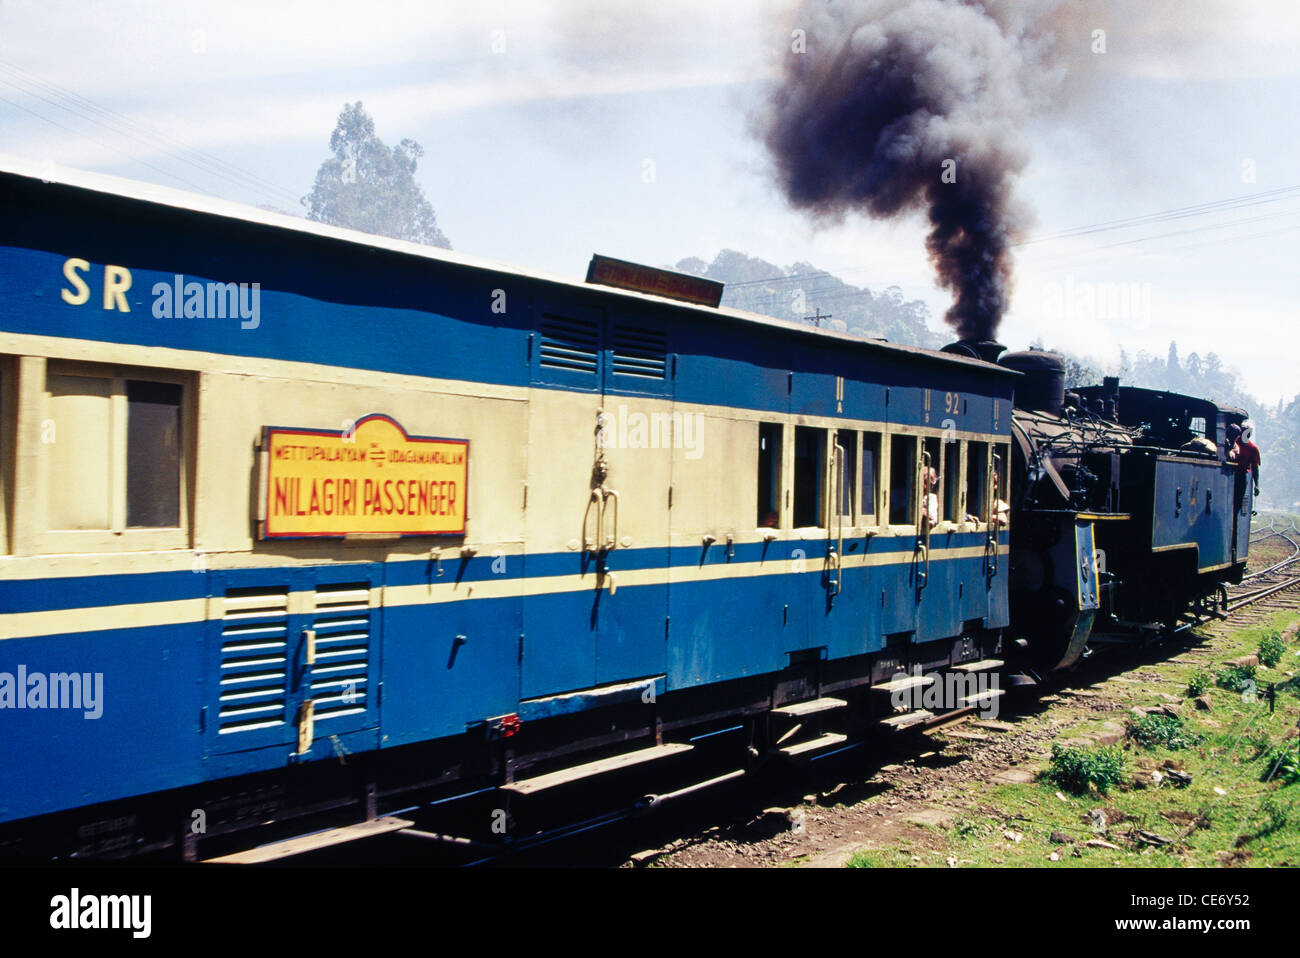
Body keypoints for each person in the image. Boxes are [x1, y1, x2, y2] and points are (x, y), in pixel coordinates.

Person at [1226, 422, 1261, 514]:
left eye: (1249, 433)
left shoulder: (1253, 448)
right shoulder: (1233, 442)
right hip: (1228, 474)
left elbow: (1255, 467)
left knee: (1237, 504)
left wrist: (1256, 485)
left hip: (1240, 476)